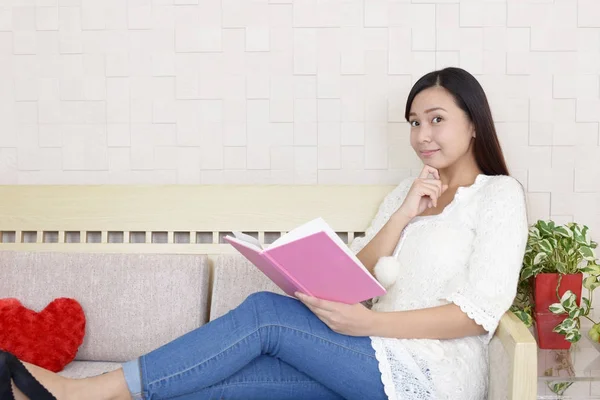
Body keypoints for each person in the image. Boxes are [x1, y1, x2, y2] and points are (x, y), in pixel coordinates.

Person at [1, 66, 528, 400]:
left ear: (473, 122)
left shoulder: (500, 196)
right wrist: (404, 213)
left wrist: (368, 325)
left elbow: (474, 314)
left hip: (430, 375)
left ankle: (88, 393)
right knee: (221, 383)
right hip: (362, 358)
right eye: (414, 122)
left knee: (265, 314)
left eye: (436, 119)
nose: (422, 135)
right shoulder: (404, 192)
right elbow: (360, 277)